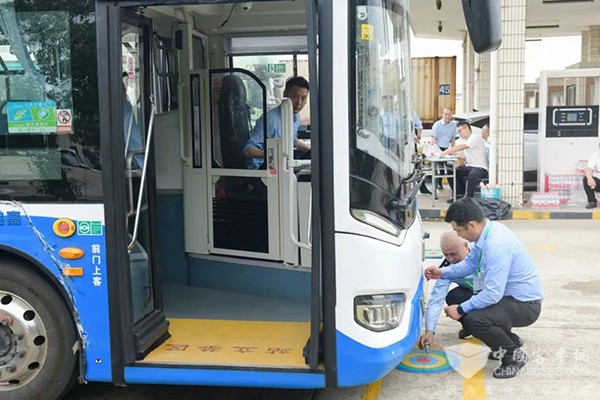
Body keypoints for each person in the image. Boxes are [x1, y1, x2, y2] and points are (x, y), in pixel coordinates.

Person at [424, 197, 543, 379]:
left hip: (525, 305)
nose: (459, 235)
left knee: (474, 320)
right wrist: (442, 272)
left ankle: (513, 357)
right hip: (508, 298)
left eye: (458, 230)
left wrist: (461, 309)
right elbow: (469, 265)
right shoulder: (487, 234)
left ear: (471, 225)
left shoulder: (496, 245)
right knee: (463, 302)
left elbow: (492, 294)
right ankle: (508, 341)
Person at [419, 231, 474, 351]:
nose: (450, 259)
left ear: (465, 245)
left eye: (454, 254)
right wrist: (430, 331)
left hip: (494, 293)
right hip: (471, 292)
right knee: (453, 297)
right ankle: (470, 326)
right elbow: (436, 300)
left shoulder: (480, 254)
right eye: (446, 254)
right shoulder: (446, 265)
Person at [244, 76, 311, 169]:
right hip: (263, 169)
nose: (299, 103)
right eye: (295, 97)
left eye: (303, 98)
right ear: (285, 94)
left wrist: (311, 152)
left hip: (281, 165)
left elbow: (292, 140)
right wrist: (275, 155)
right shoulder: (270, 119)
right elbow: (248, 151)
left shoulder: (295, 116)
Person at [441, 121, 488, 202]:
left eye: (460, 131)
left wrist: (447, 151)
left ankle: (468, 198)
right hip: (470, 167)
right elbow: (465, 156)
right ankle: (459, 195)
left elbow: (462, 147)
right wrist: (453, 154)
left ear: (466, 128)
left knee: (472, 174)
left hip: (480, 168)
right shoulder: (468, 140)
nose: (459, 134)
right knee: (452, 172)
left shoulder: (475, 137)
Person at [431, 107, 457, 190]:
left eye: (449, 114)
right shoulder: (437, 125)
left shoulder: (453, 126)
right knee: (437, 167)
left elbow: (453, 139)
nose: (447, 116)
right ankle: (437, 184)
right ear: (442, 114)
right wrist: (434, 151)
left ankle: (440, 182)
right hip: (437, 147)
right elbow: (433, 138)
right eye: (446, 114)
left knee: (444, 166)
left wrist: (453, 150)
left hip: (446, 148)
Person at [413, 111, 432, 194]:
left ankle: (422, 188)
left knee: (417, 165)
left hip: (410, 143)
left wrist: (418, 137)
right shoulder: (385, 113)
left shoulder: (411, 113)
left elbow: (419, 125)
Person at [583, 143, 600, 209]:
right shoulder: (595, 155)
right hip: (598, 181)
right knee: (586, 179)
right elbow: (588, 168)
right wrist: (590, 178)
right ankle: (592, 202)